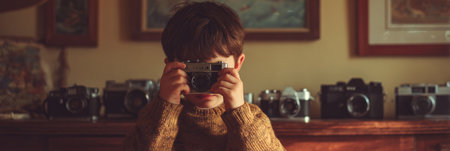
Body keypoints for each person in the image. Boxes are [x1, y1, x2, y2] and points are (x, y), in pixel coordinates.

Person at [123, 2, 285, 151]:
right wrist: (166, 106)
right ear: (170, 67)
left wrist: (238, 113)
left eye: (214, 69)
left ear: (237, 63)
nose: (203, 79)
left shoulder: (252, 119)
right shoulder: (152, 118)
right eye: (194, 68)